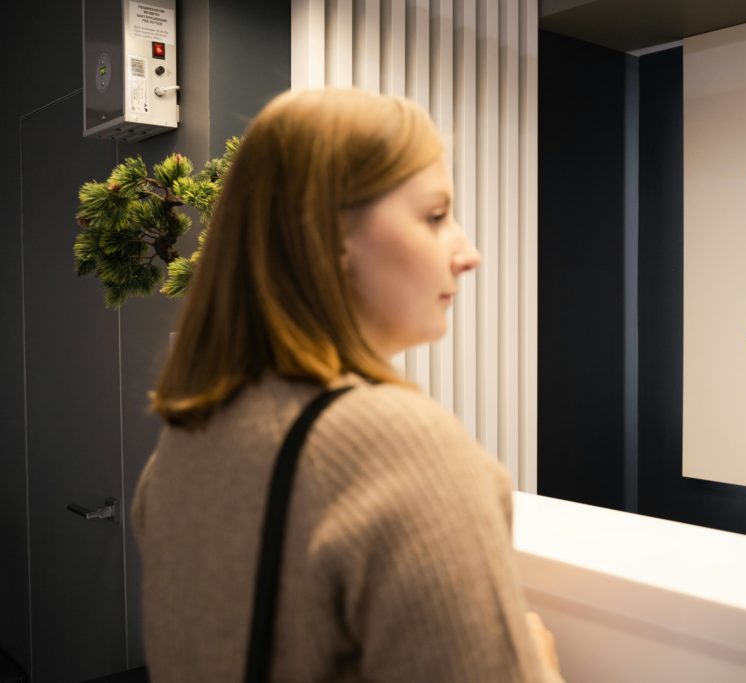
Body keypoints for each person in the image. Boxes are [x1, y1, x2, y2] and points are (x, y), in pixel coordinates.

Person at [132, 88, 563, 682]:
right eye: (435, 216)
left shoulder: (181, 449)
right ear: (325, 234)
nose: (469, 254)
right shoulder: (401, 449)